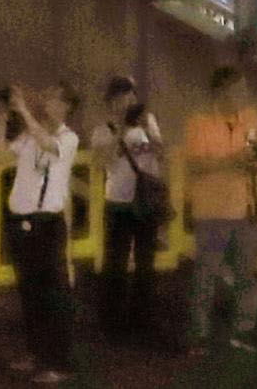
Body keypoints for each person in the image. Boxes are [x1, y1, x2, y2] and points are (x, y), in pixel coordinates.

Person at [182, 62, 257, 350]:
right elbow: (194, 165)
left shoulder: (251, 119)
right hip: (212, 210)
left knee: (248, 273)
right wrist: (231, 162)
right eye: (237, 90)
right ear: (221, 92)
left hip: (247, 206)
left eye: (244, 89)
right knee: (206, 273)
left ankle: (244, 328)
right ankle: (200, 330)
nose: (243, 95)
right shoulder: (199, 123)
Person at [0, 84, 78, 379]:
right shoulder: (30, 134)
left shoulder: (68, 138)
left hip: (46, 223)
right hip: (21, 221)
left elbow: (47, 144)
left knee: (53, 294)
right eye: (48, 96)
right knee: (30, 292)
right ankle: (35, 353)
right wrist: (2, 122)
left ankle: (58, 363)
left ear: (66, 106)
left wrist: (23, 111)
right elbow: (0, 158)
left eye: (54, 97)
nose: (46, 100)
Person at [92, 74, 167, 343]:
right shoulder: (103, 130)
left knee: (146, 264)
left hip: (145, 202)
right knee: (116, 264)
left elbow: (160, 152)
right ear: (111, 102)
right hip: (118, 203)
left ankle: (142, 320)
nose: (126, 102)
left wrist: (147, 126)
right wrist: (122, 131)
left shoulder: (148, 122)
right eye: (120, 98)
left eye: (130, 96)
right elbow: (103, 163)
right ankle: (111, 324)